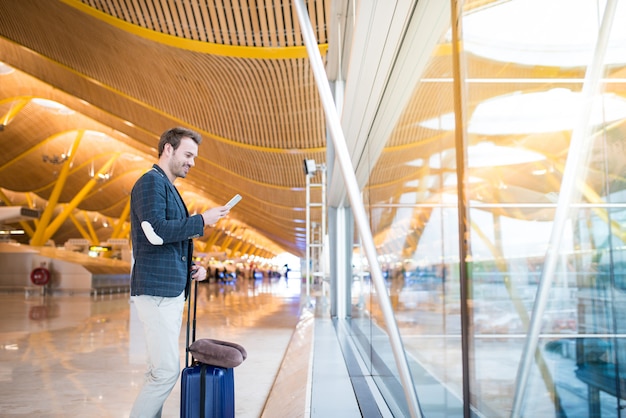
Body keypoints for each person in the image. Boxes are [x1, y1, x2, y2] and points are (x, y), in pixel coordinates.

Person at [129, 127, 230, 418]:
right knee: (165, 372)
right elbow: (156, 233)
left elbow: (167, 243)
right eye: (188, 155)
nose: (192, 162)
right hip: (157, 292)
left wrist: (190, 268)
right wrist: (202, 220)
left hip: (168, 291)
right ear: (168, 150)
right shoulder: (150, 183)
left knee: (157, 370)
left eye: (194, 157)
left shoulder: (168, 186)